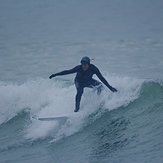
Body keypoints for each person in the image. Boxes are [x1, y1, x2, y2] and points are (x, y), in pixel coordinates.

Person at [49, 56, 117, 112]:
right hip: (79, 82)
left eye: (85, 64)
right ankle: (77, 109)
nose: (83, 66)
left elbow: (101, 78)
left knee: (100, 86)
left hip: (88, 81)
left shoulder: (94, 69)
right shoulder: (79, 68)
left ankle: (98, 100)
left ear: (88, 64)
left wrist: (110, 87)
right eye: (82, 64)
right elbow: (67, 72)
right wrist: (55, 74)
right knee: (80, 92)